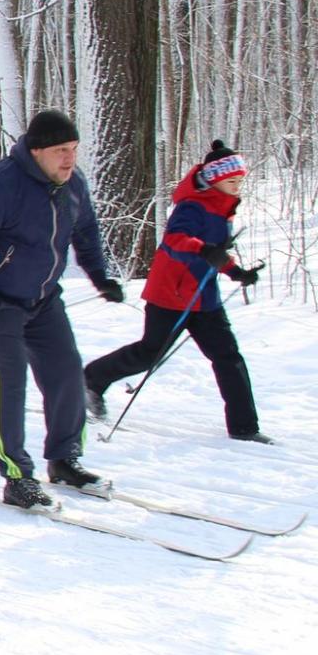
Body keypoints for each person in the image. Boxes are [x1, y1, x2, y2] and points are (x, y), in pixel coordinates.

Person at [0, 108, 125, 509]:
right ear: (38, 151)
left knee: (67, 375)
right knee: (8, 389)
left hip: (43, 300)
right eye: (61, 150)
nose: (69, 158)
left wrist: (101, 277)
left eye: (74, 149)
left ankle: (64, 459)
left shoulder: (73, 184)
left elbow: (87, 234)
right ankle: (16, 476)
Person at [85, 140, 268, 443]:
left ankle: (245, 427)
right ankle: (91, 379)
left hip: (204, 298)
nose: (238, 187)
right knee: (149, 354)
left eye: (240, 181)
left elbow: (214, 253)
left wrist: (236, 271)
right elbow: (175, 241)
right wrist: (205, 250)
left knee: (228, 357)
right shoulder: (192, 206)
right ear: (214, 180)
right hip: (169, 295)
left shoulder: (224, 208)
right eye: (232, 181)